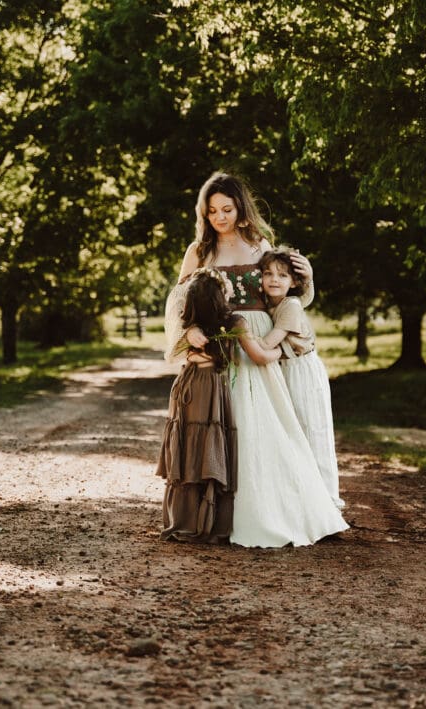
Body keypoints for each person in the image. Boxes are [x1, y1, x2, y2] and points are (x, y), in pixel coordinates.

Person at [164, 172, 348, 548]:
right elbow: (179, 302)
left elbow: (284, 293)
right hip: (221, 339)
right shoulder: (197, 252)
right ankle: (220, 516)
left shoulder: (259, 245)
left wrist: (308, 279)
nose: (220, 217)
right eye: (212, 210)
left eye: (227, 209)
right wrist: (188, 335)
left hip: (258, 338)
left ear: (240, 209)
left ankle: (275, 510)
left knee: (267, 426)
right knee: (224, 423)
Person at [156, 267, 282, 543]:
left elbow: (172, 350)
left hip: (188, 383)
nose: (230, 291)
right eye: (225, 288)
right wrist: (279, 350)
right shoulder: (234, 322)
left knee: (190, 446)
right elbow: (259, 356)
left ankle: (183, 520)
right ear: (219, 297)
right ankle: (208, 523)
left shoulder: (189, 324)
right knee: (209, 446)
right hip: (211, 386)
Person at [257, 247, 344, 509]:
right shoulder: (267, 305)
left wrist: (238, 337)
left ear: (294, 282)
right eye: (268, 273)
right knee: (289, 432)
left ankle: (328, 502)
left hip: (302, 369)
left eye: (282, 275)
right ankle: (298, 501)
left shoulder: (291, 305)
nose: (274, 279)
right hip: (282, 370)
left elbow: (267, 343)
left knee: (311, 429)